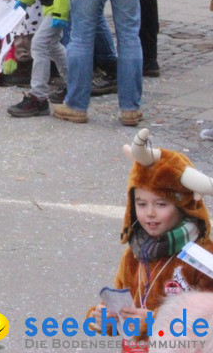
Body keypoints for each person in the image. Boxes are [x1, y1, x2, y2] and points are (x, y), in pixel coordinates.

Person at [86, 130, 213, 342]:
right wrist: (105, 317)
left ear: (183, 207)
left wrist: (154, 321)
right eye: (141, 204)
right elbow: (123, 305)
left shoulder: (203, 257)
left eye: (161, 204)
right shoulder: (135, 252)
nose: (150, 213)